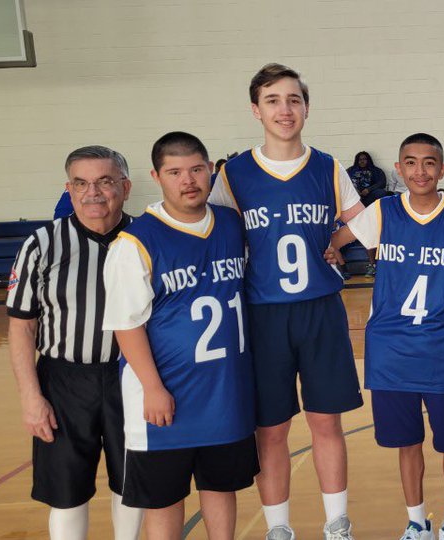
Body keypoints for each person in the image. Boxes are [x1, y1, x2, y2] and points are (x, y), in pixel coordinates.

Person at [208, 63, 365, 540]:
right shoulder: (233, 174)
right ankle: (279, 528)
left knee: (326, 421)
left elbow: (364, 221)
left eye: (294, 99)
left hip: (321, 309)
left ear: (307, 108)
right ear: (256, 110)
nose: (284, 109)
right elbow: (216, 235)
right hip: (263, 313)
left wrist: (336, 240)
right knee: (271, 429)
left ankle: (337, 524)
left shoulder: (328, 166)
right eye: (273, 100)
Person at [102, 131, 258, 540]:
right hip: (165, 399)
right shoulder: (135, 242)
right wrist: (153, 388)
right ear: (157, 176)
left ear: (210, 170)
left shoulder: (231, 224)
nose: (188, 180)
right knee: (164, 501)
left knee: (221, 488)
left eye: (196, 169)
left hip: (225, 393)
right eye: (174, 172)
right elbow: (126, 325)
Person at [330, 133, 444, 540]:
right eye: (411, 163)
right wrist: (331, 253)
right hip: (390, 350)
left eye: (429, 162)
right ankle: (417, 521)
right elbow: (335, 242)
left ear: (443, 169)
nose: (421, 171)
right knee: (407, 442)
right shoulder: (382, 211)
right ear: (399, 169)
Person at [6, 145, 144, 540]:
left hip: (132, 378)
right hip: (64, 381)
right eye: (81, 183)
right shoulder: (41, 244)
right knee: (65, 494)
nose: (93, 193)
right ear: (69, 190)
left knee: (133, 483)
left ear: (125, 187)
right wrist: (31, 397)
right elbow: (22, 327)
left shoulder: (147, 237)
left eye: (105, 181)